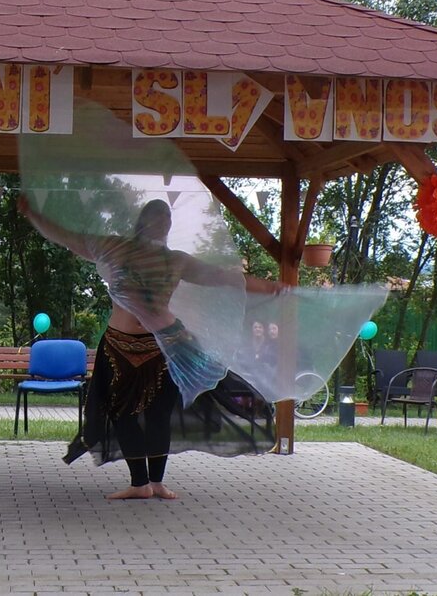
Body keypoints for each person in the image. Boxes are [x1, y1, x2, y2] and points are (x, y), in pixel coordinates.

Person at [22, 198, 284, 500]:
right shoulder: (115, 248)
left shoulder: (176, 261)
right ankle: (140, 483)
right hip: (119, 345)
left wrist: (270, 287)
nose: (162, 224)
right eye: (156, 218)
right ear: (142, 222)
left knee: (160, 414)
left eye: (166, 220)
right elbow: (69, 238)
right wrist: (33, 214)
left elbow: (222, 278)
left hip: (165, 344)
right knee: (121, 412)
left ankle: (156, 482)